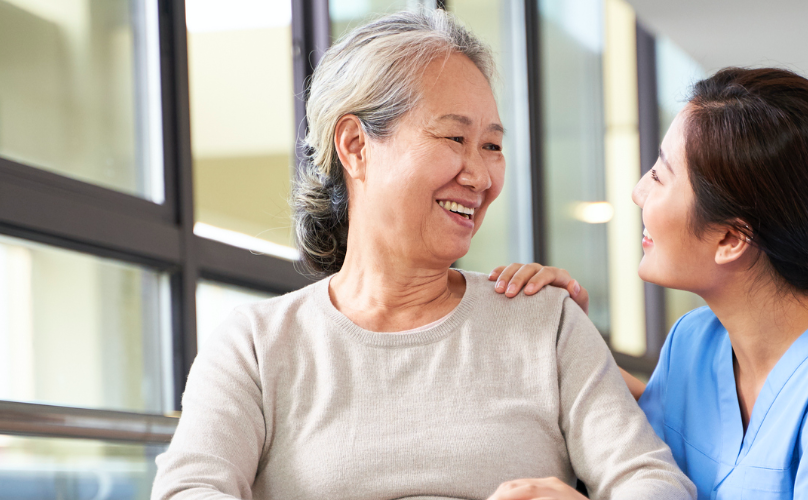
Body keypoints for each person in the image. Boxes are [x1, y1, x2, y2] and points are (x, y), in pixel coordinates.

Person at [149, 10, 695, 500]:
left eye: (492, 145)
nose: (480, 175)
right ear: (355, 146)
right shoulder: (256, 345)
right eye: (454, 139)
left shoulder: (543, 319)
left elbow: (652, 481)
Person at [489, 67, 808, 499]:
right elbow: (647, 446)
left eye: (659, 175)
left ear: (730, 238)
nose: (638, 190)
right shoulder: (695, 342)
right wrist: (562, 336)